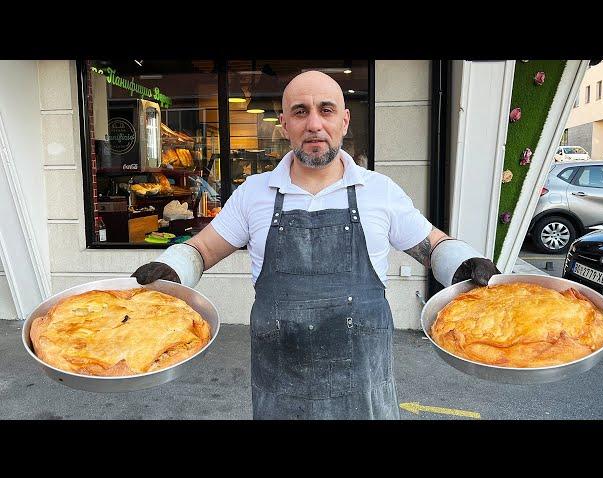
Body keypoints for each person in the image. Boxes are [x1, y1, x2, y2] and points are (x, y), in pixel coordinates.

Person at [132, 71, 500, 420]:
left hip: (364, 391)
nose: (314, 124)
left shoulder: (380, 191)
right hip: (280, 391)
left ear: (344, 120)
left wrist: (464, 261)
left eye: (326, 110)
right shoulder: (253, 194)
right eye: (300, 112)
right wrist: (172, 268)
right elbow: (203, 249)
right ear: (285, 124)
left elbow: (432, 245)